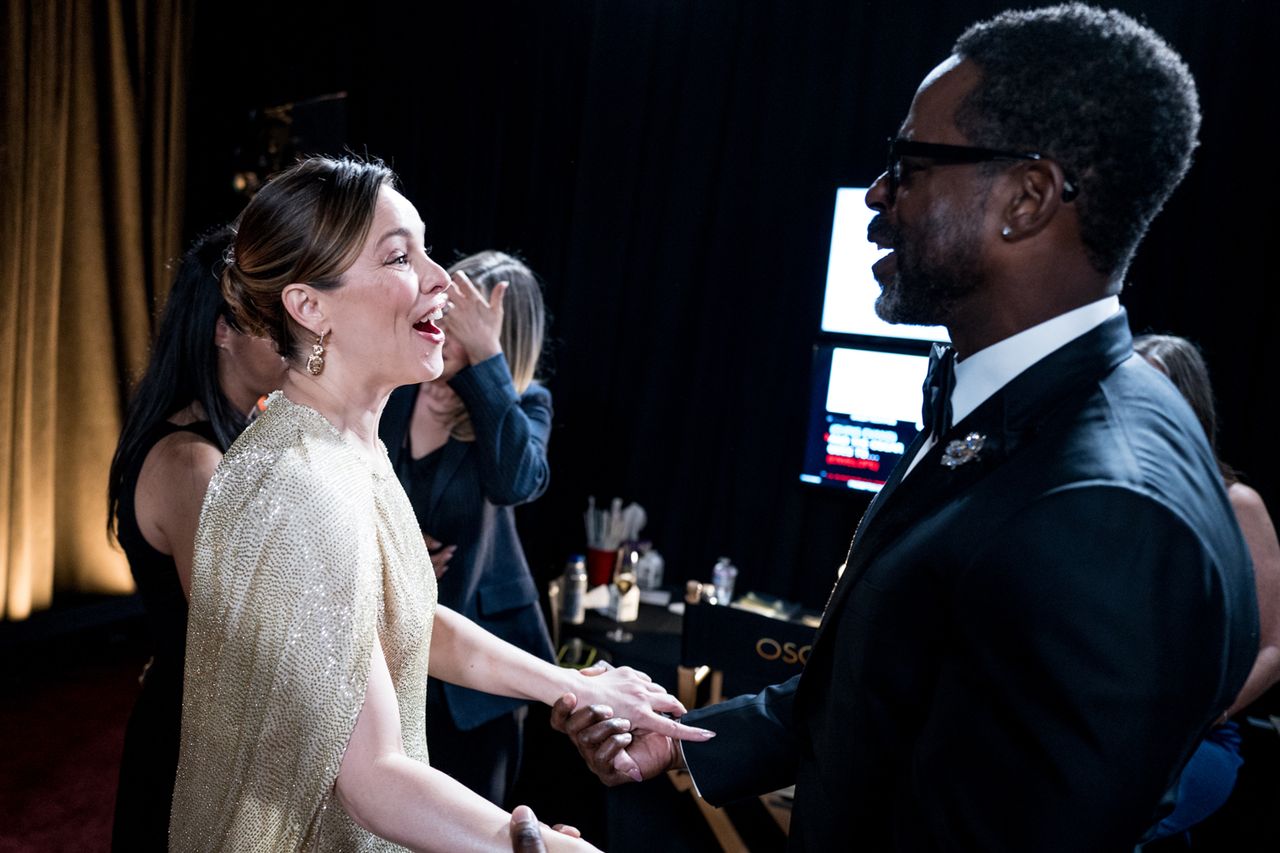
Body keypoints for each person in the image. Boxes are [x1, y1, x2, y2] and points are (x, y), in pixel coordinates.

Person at [552, 5, 1258, 850]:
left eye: (910, 163)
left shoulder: (1107, 506)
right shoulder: (1014, 407)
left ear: (1028, 199)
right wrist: (698, 740)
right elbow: (895, 683)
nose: (879, 196)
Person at [166, 155, 711, 852]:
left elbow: (407, 619)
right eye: (400, 256)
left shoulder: (350, 449)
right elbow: (373, 777)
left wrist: (570, 682)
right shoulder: (296, 482)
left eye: (427, 249)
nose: (441, 282)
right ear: (309, 306)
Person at [106, 227, 286, 852]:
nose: (299, 336)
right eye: (274, 317)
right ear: (221, 330)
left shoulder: (232, 435)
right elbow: (242, 638)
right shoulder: (192, 464)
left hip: (206, 721)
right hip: (197, 741)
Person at [379, 250, 554, 807]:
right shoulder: (396, 385)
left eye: (463, 323)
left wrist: (486, 361)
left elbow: (514, 483)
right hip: (385, 647)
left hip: (477, 673)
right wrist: (395, 558)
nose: (442, 326)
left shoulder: (523, 405)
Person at [1133, 333, 1280, 838]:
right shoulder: (1105, 491)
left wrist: (1211, 712)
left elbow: (1275, 647)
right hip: (1104, 726)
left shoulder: (1237, 504)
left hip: (1196, 738)